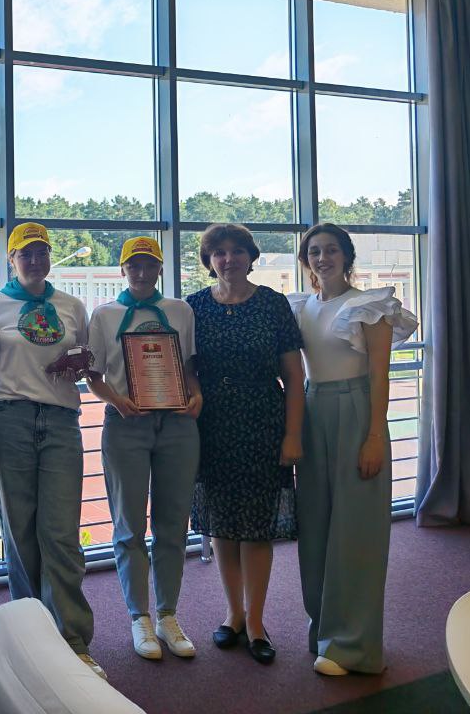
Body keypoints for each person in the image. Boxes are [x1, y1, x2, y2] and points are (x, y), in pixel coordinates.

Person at [289, 223, 416, 677]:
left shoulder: (369, 305)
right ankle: (324, 628)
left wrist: (375, 436)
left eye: (331, 250)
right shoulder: (301, 306)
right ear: (306, 260)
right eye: (314, 252)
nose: (322, 258)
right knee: (316, 526)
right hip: (313, 409)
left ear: (346, 256)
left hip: (356, 410)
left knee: (356, 529)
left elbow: (380, 375)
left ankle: (353, 646)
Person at [0, 222, 105, 679]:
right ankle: (33, 636)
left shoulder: (71, 305)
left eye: (41, 252)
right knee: (19, 532)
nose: (34, 261)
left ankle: (72, 640)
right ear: (11, 259)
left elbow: (87, 359)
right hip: (9, 419)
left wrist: (78, 364)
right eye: (25, 254)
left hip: (60, 421)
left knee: (61, 533)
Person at [186, 223, 304, 666]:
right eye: (219, 252)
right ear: (209, 260)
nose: (228, 259)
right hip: (212, 424)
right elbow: (188, 368)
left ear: (251, 257)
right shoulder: (194, 306)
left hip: (262, 422)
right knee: (221, 524)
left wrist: (292, 435)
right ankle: (233, 613)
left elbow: (294, 377)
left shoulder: (273, 304)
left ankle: (255, 621)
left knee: (256, 528)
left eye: (237, 251)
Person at [86, 237, 203, 663]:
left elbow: (189, 367)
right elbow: (93, 376)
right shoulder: (104, 315)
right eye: (133, 265)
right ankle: (139, 616)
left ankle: (168, 614)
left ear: (160, 268)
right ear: (122, 270)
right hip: (126, 425)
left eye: (149, 264)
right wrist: (117, 401)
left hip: (177, 425)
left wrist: (196, 395)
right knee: (129, 526)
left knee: (173, 524)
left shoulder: (180, 310)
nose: (141, 272)